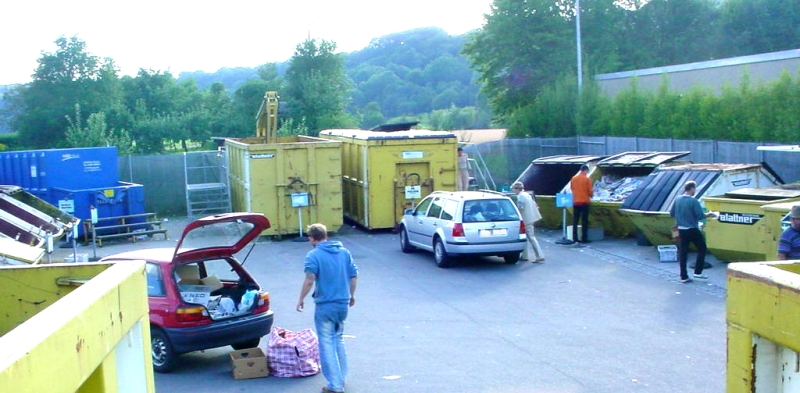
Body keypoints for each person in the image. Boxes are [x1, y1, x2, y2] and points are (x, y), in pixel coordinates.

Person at [296, 223, 359, 393]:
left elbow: (310, 279)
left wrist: (301, 299)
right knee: (338, 338)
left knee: (326, 343)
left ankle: (335, 385)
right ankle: (341, 378)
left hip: (325, 305)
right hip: (342, 304)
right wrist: (351, 296)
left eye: (309, 238)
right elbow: (353, 277)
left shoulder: (313, 255)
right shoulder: (344, 252)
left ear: (312, 237)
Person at [670, 180, 715, 283]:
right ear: (692, 189)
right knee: (702, 248)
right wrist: (710, 214)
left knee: (683, 253)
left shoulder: (677, 199)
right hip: (692, 229)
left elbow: (672, 213)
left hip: (681, 229)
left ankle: (683, 276)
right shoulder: (694, 201)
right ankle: (698, 272)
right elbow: (700, 216)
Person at [512, 181, 545, 262]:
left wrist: (515, 215)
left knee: (531, 237)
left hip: (525, 219)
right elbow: (536, 205)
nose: (513, 191)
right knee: (526, 237)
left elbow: (520, 207)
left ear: (517, 189)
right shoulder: (527, 195)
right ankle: (524, 255)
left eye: (513, 189)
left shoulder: (520, 196)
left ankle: (539, 255)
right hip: (531, 218)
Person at [570, 164, 593, 244]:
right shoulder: (587, 179)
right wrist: (591, 195)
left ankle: (575, 238)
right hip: (584, 202)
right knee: (584, 221)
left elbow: (572, 188)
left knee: (575, 221)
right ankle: (584, 238)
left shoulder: (573, 178)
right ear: (586, 170)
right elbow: (590, 191)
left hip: (575, 202)